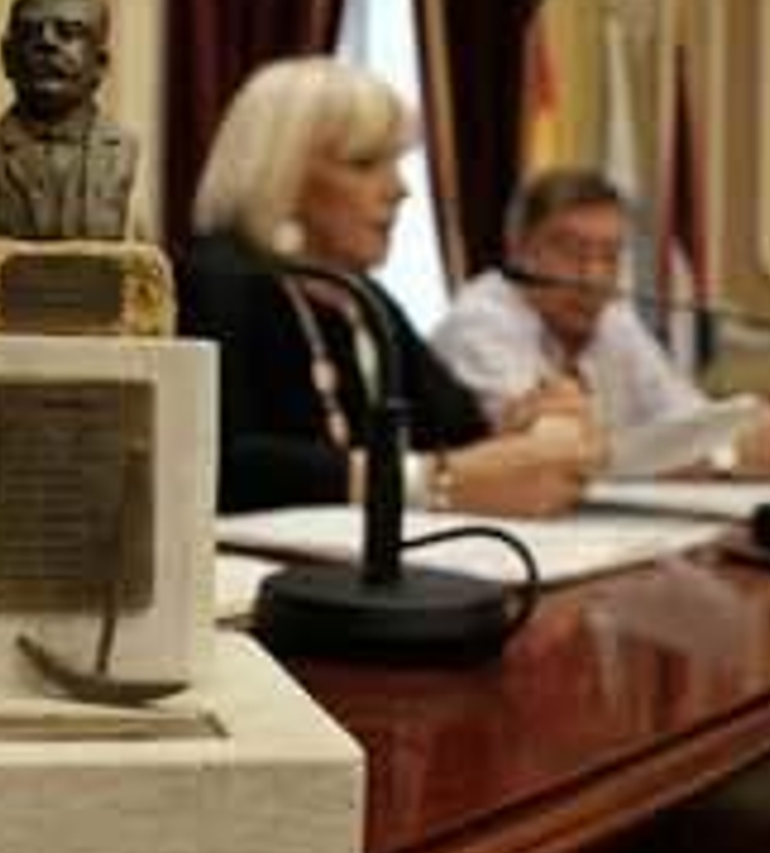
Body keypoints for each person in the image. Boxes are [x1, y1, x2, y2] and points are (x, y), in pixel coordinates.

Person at [177, 57, 602, 516]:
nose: (399, 189)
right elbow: (222, 466)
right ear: (280, 173)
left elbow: (459, 437)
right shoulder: (213, 281)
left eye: (397, 163)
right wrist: (432, 482)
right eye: (365, 164)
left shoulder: (365, 301)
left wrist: (524, 430)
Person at [430, 167, 770, 478]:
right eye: (572, 251)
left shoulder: (613, 319)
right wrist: (729, 455)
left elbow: (682, 418)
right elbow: (555, 457)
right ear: (519, 254)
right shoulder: (480, 323)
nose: (594, 276)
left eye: (610, 256)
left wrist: (757, 423)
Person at [0, 0, 139, 240]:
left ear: (100, 63)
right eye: (30, 32)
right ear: (7, 57)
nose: (47, 42)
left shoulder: (122, 149)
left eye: (69, 32)